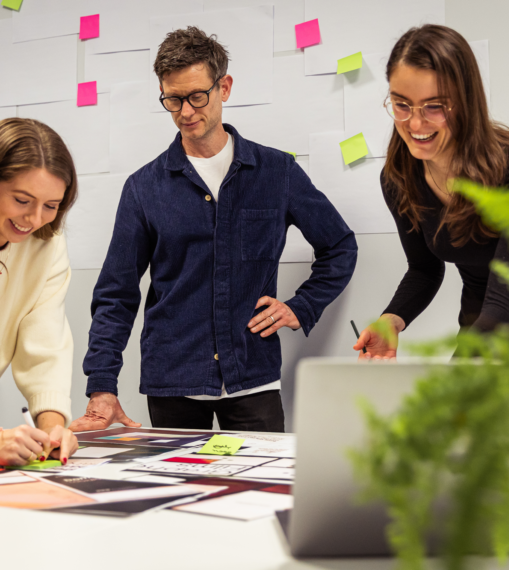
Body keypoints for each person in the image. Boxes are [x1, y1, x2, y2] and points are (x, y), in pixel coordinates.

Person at [70, 27, 357, 433]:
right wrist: (101, 384)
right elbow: (116, 293)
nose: (185, 112)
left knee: (264, 494)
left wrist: (302, 306)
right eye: (172, 99)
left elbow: (340, 246)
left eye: (196, 96)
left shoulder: (277, 173)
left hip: (253, 376)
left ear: (224, 87)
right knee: (178, 495)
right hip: (173, 382)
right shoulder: (143, 187)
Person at [353, 24, 509, 359]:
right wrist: (390, 320)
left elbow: (507, 294)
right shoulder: (399, 179)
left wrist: (451, 382)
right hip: (481, 319)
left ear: (465, 102)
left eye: (434, 106)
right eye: (401, 105)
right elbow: (424, 268)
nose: (415, 125)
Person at [0, 118, 79, 465]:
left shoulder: (47, 244)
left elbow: (45, 346)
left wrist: (53, 428)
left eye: (51, 206)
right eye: (22, 200)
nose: (33, 219)